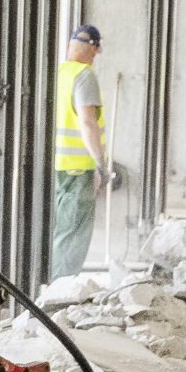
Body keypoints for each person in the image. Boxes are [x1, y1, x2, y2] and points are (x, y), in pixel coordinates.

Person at [48, 22, 120, 282]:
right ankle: (62, 290)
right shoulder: (84, 75)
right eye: (95, 50)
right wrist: (101, 164)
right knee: (74, 234)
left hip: (55, 166)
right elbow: (87, 121)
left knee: (59, 231)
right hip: (77, 169)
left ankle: (52, 285)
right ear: (94, 49)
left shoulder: (57, 73)